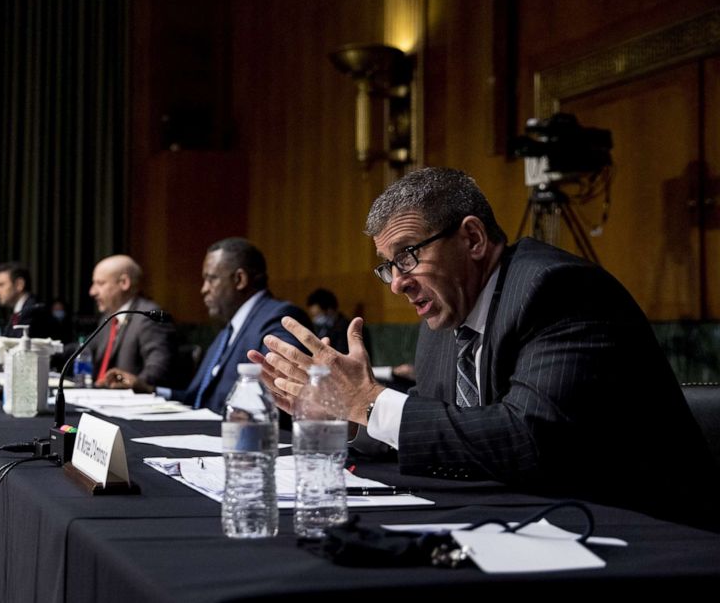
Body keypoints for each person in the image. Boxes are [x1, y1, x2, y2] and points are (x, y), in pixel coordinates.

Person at [250, 167, 720, 529]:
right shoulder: (447, 310)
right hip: (531, 525)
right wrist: (348, 417)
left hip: (648, 533)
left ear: (472, 238)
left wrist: (368, 400)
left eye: (408, 256)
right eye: (388, 266)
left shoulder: (556, 289)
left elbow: (528, 437)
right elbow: (443, 424)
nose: (396, 284)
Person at [102, 237, 310, 414]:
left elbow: (279, 398)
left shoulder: (279, 318)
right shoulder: (228, 331)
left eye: (211, 280)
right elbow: (198, 399)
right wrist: (149, 389)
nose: (203, 290)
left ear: (239, 279)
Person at [84, 255, 177, 389]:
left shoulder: (148, 317)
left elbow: (157, 372)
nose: (92, 292)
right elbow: (84, 349)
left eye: (100, 283)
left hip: (131, 403)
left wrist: (132, 385)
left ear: (124, 283)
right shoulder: (110, 318)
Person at [0, 262, 53, 338]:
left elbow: (15, 344)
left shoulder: (33, 310)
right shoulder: (20, 310)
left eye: (1, 285)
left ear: (19, 284)